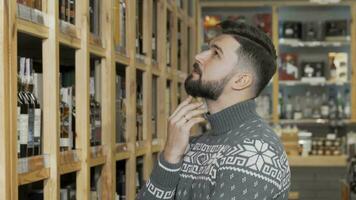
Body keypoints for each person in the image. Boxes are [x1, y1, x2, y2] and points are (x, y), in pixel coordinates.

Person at [137, 20, 291, 200]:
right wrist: (170, 155)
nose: (199, 56)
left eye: (216, 53)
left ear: (241, 81)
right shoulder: (194, 144)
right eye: (207, 49)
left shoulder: (255, 153)